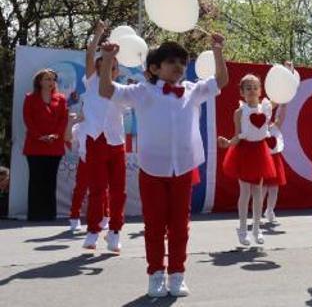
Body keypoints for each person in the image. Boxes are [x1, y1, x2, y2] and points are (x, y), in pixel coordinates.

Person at [99, 34, 228, 298]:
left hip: (182, 169)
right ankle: (156, 274)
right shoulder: (142, 91)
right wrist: (109, 59)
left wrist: (217, 51)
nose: (179, 66)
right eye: (171, 61)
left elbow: (222, 81)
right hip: (152, 170)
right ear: (155, 68)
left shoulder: (192, 90)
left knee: (180, 225)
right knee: (155, 225)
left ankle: (177, 275)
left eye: (182, 61)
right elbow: (106, 90)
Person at [81, 21, 129, 252]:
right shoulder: (91, 83)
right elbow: (90, 55)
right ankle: (92, 231)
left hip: (116, 143)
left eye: (113, 67)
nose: (108, 69)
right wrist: (99, 33)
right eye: (104, 65)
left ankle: (115, 231)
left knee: (119, 190)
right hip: (95, 140)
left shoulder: (121, 91)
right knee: (97, 189)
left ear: (117, 71)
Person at [218, 74, 276, 246]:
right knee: (245, 193)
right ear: (242, 92)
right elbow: (237, 136)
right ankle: (243, 230)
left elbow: (281, 97)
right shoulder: (240, 112)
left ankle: (257, 229)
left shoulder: (265, 108)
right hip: (243, 153)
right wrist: (228, 143)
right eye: (248, 88)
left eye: (255, 87)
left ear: (260, 90)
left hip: (259, 153)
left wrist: (289, 74)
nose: (252, 91)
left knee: (258, 193)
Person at [23, 68, 69, 221]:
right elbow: (28, 120)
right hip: (35, 145)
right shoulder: (30, 98)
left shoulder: (61, 99)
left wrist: (55, 135)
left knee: (50, 180)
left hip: (54, 146)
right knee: (36, 180)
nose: (51, 82)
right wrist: (40, 137)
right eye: (47, 79)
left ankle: (50, 214)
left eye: (52, 79)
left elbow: (63, 120)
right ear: (39, 81)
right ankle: (35, 214)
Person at [262, 105, 288, 225]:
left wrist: (284, 105)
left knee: (274, 189)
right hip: (263, 160)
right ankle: (256, 212)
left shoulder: (274, 127)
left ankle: (270, 210)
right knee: (262, 189)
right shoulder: (258, 129)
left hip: (274, 160)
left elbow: (280, 117)